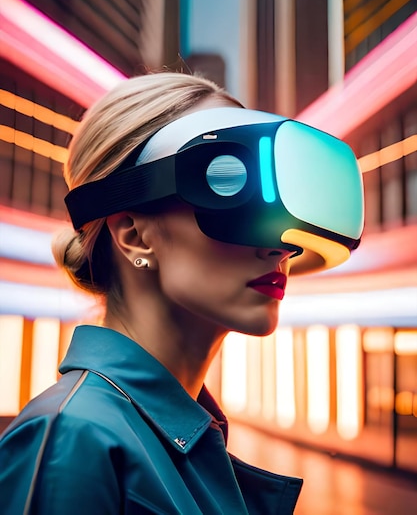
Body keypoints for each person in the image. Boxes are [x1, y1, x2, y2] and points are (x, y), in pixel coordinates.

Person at [0, 72, 363, 514]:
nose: (283, 245)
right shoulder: (75, 440)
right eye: (230, 184)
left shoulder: (175, 436)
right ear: (133, 235)